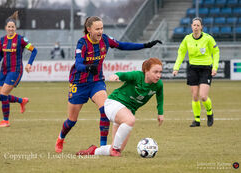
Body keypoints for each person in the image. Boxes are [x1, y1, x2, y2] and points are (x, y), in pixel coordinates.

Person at [55, 16, 162, 153]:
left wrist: (145, 45)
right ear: (89, 29)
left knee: (104, 111)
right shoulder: (82, 43)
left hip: (96, 82)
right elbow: (78, 63)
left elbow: (123, 45)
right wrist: (87, 68)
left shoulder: (105, 39)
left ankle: (102, 146)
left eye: (101, 28)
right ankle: (60, 138)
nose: (100, 31)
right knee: (72, 120)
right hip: (79, 82)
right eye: (97, 29)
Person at [75, 57, 164, 157]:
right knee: (130, 120)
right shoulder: (138, 76)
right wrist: (116, 75)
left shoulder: (158, 84)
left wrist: (160, 113)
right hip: (114, 103)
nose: (158, 75)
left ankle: (93, 151)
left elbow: (160, 97)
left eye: (160, 72)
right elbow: (124, 75)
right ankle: (114, 149)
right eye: (155, 72)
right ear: (146, 71)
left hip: (127, 111)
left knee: (119, 148)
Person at [172, 17, 220, 127]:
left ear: (201, 27)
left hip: (206, 69)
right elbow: (181, 53)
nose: (196, 27)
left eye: (198, 25)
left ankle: (209, 113)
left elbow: (216, 52)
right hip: (193, 68)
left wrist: (215, 67)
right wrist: (176, 68)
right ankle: (197, 120)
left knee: (203, 96)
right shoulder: (187, 39)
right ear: (191, 26)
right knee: (194, 96)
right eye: (194, 25)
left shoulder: (208, 38)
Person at [0, 11, 37, 128]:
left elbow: (34, 50)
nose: (11, 28)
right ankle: (21, 101)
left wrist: (29, 64)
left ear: (15, 28)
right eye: (9, 27)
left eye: (13, 27)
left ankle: (5, 121)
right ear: (5, 28)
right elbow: (0, 53)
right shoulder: (2, 40)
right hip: (4, 70)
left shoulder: (21, 39)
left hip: (15, 70)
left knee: (3, 95)